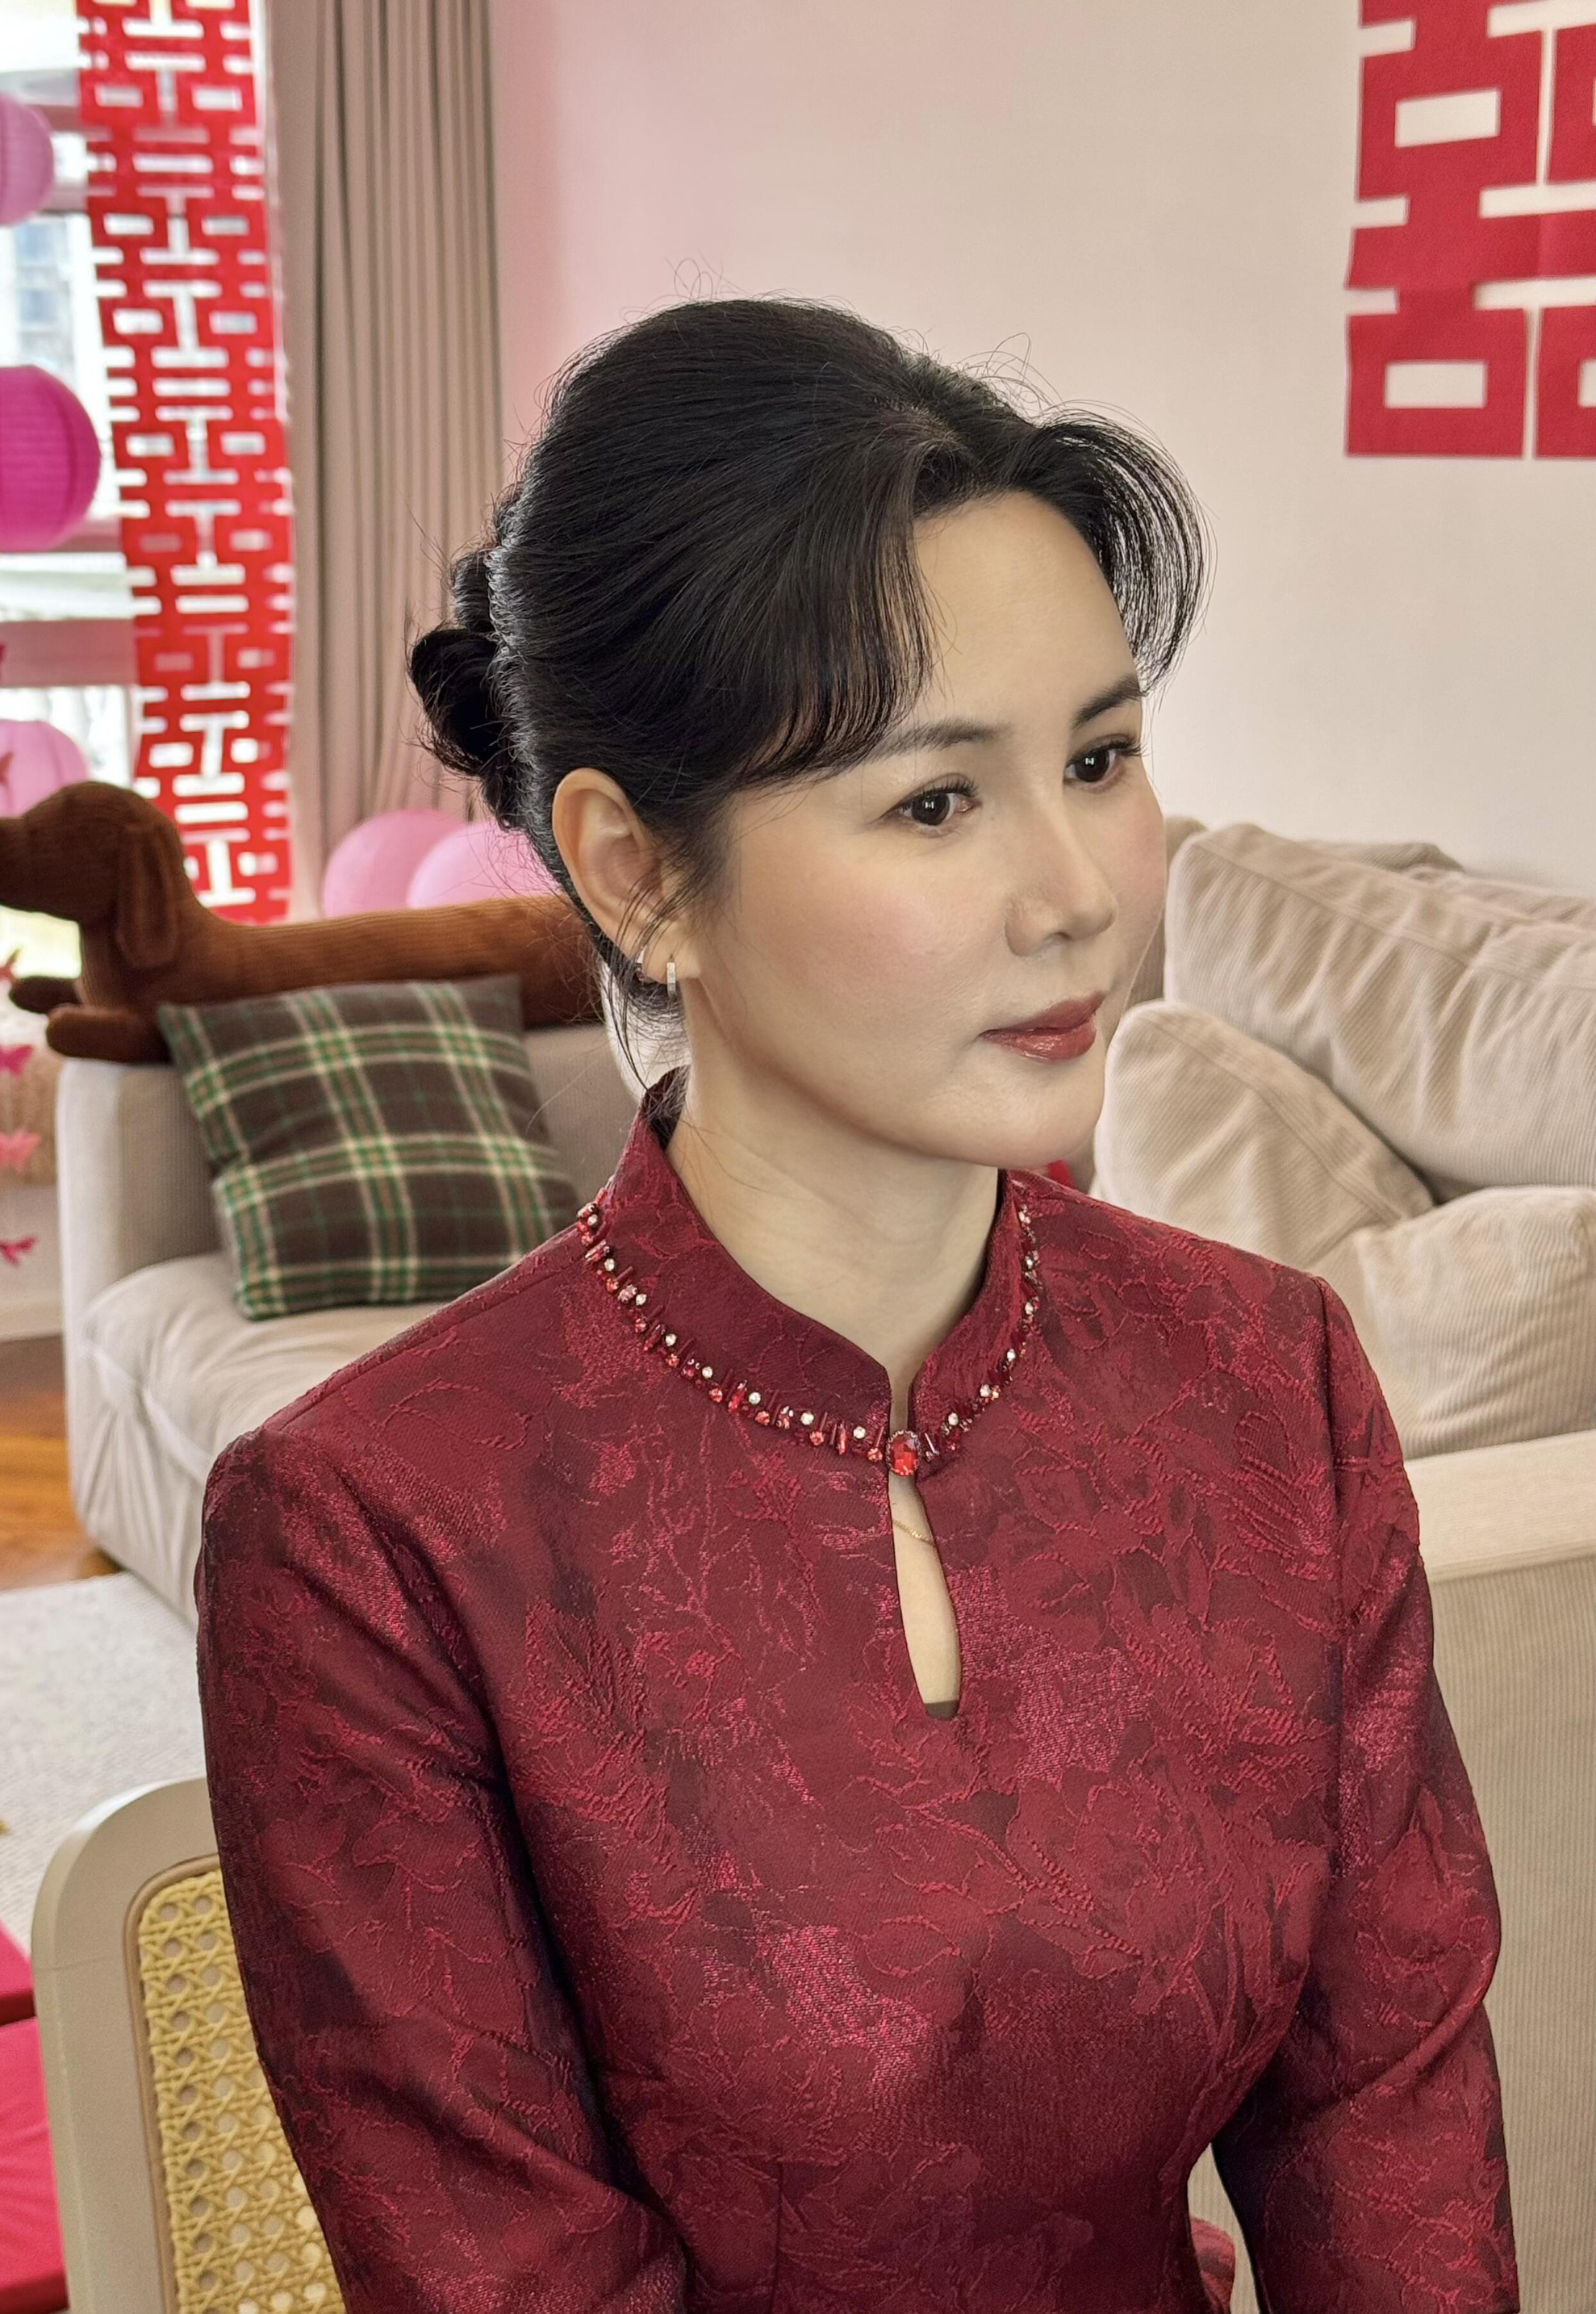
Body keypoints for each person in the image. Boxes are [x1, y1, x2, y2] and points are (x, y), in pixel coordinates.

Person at [194, 297, 1518, 2314]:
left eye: (1099, 759)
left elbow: (1382, 2121)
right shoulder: (370, 1534)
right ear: (638, 874)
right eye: (934, 802)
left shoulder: (1272, 1381)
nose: (1079, 892)